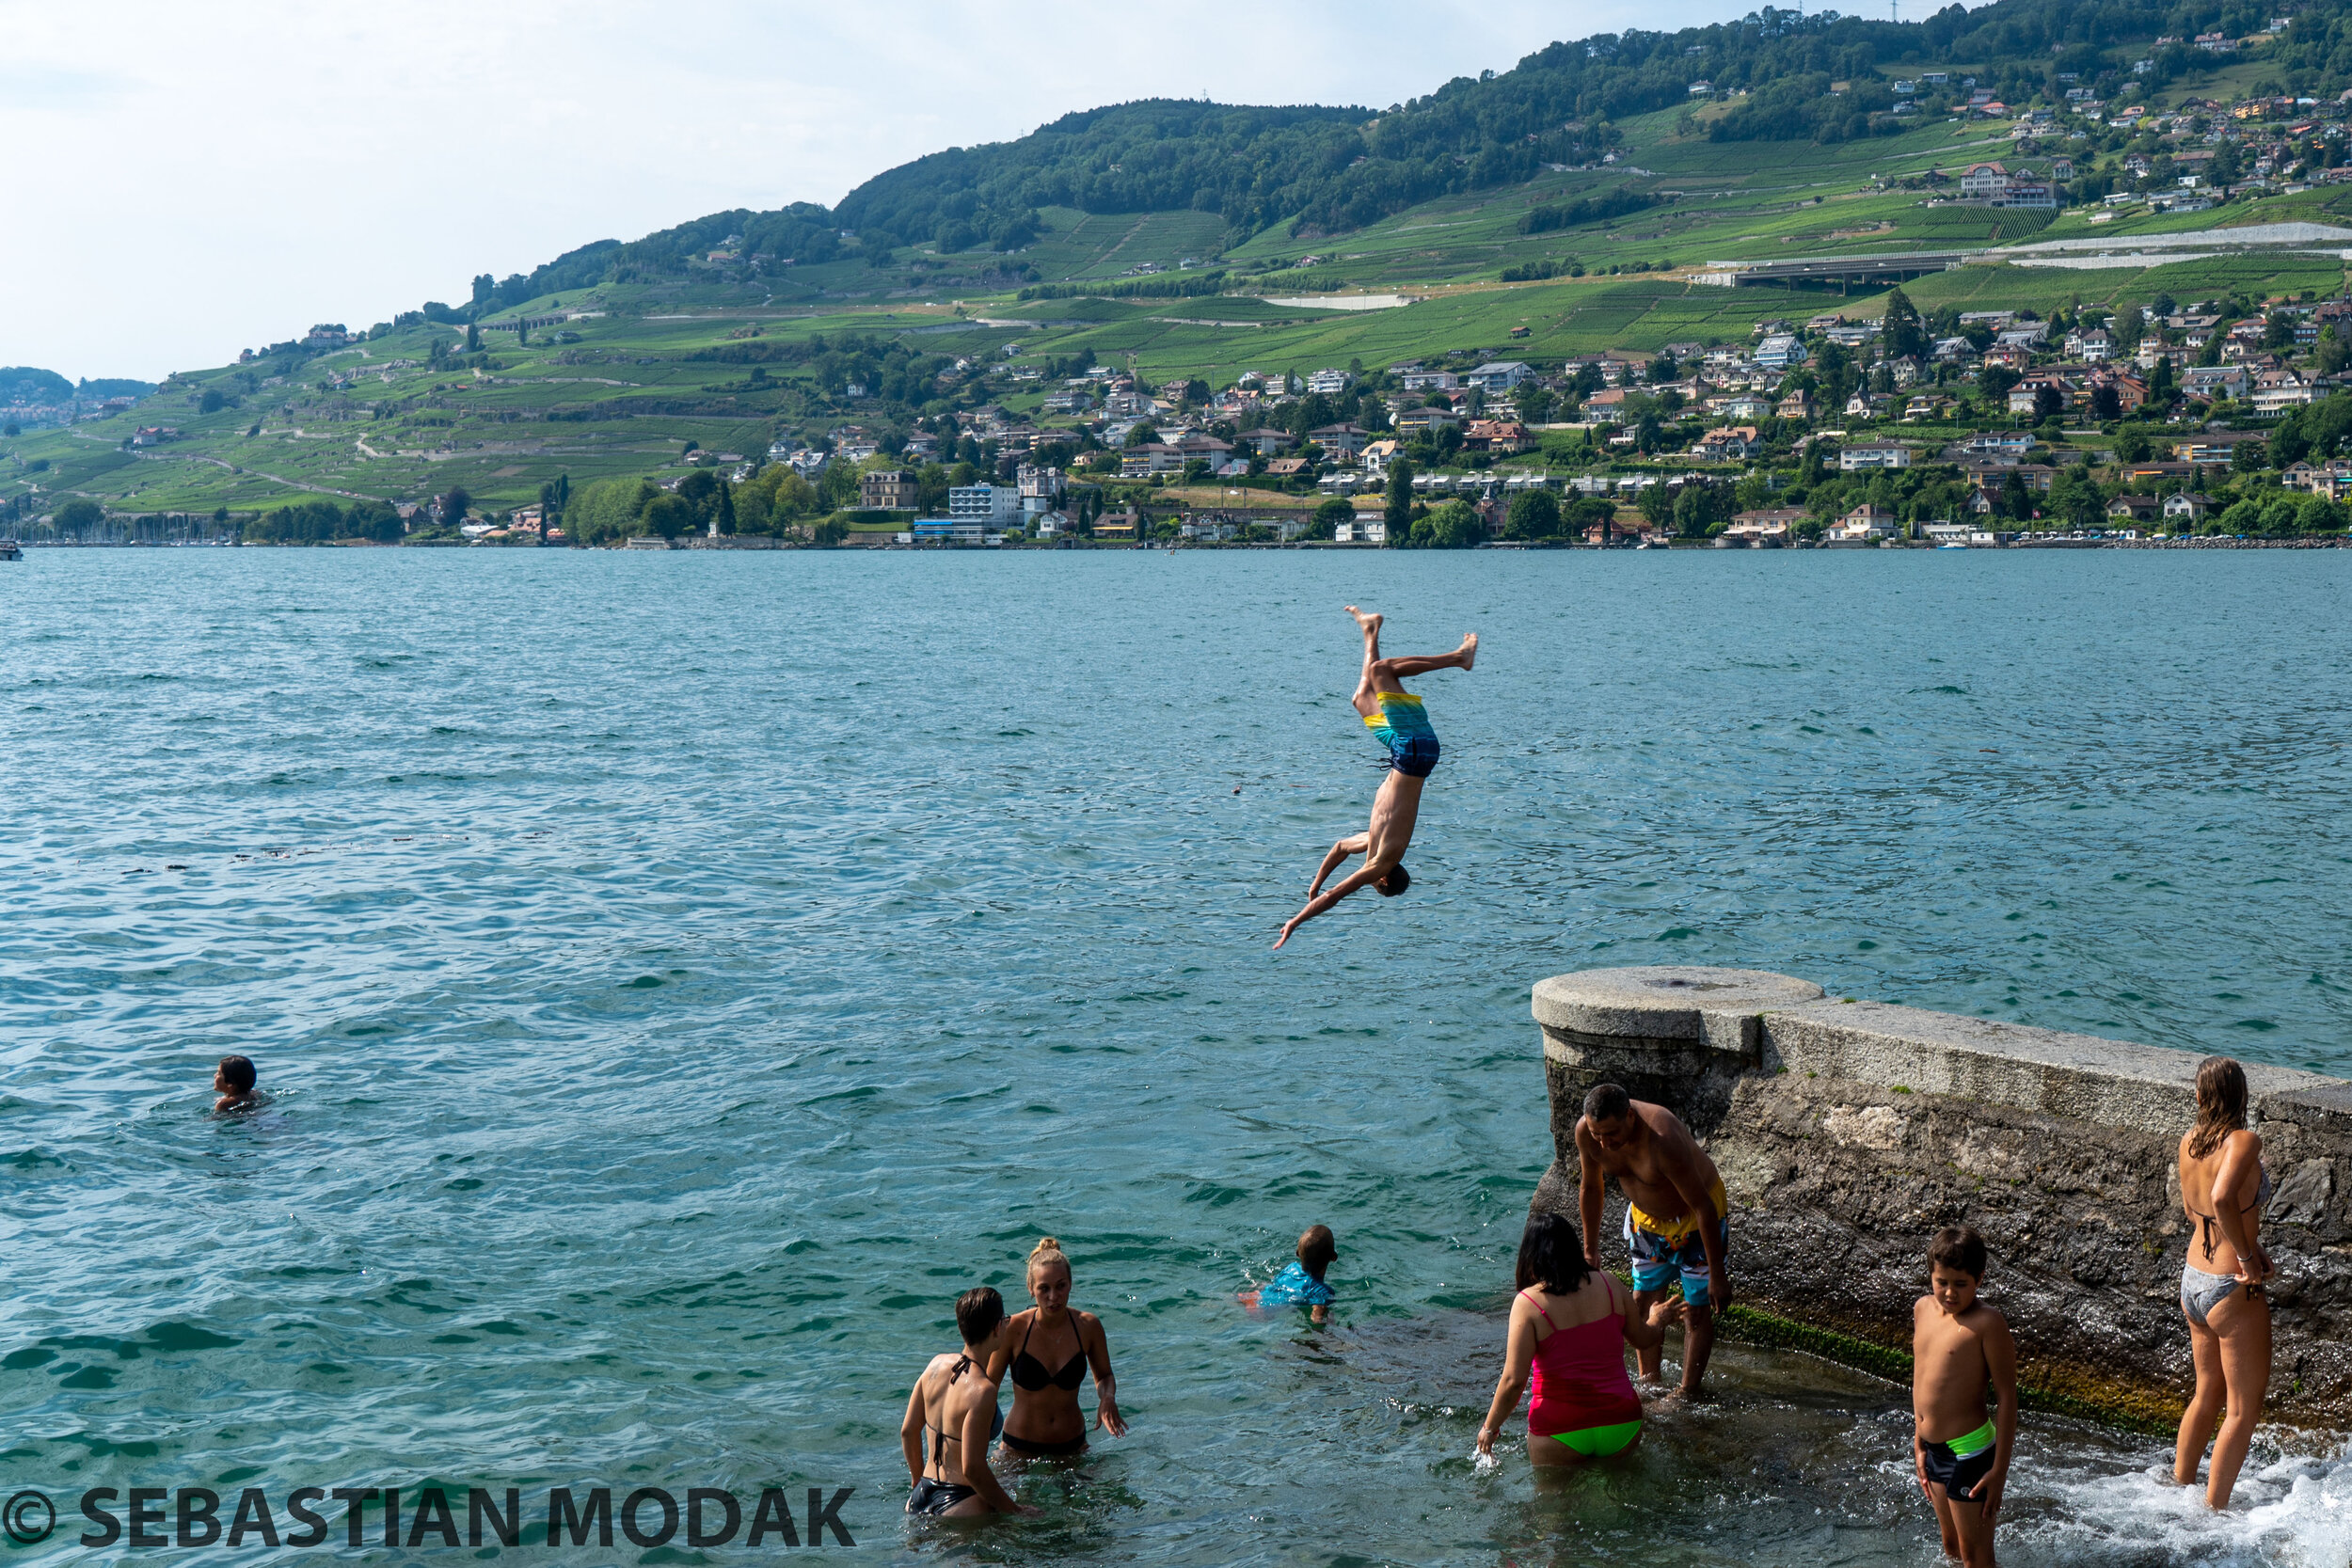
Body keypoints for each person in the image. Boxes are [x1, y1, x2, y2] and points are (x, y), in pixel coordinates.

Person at [1273, 607, 1476, 949]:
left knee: (1361, 698)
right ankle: (1460, 657)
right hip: (1415, 752)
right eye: (1371, 883)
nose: (1363, 880)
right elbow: (1338, 895)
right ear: (1381, 880)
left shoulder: (1373, 842)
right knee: (1383, 671)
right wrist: (1297, 920)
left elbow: (1339, 848)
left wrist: (1315, 882)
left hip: (1402, 751)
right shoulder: (1385, 858)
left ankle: (1371, 630)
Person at [1475, 1212, 1682, 1466]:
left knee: (1554, 1506)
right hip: (1621, 1423)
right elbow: (1644, 1339)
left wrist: (1490, 1428)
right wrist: (1657, 1319)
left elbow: (1513, 1381)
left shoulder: (1527, 1303)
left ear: (1529, 1255)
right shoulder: (1610, 1284)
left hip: (1559, 1430)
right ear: (1573, 1248)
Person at [1575, 1083, 1730, 1396]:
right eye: (1596, 1135)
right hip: (1646, 1223)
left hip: (1695, 1220)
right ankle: (1650, 1385)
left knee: (1696, 1309)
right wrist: (1590, 1251)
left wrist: (1717, 1274)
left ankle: (1686, 1392)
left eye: (1611, 1134)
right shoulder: (1587, 1134)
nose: (1604, 1144)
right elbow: (1591, 1188)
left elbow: (1702, 1205)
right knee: (1642, 1302)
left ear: (1630, 1117)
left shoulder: (1662, 1138)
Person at [2174, 1054, 2273, 1511]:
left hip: (2193, 1276)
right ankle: (2212, 1513)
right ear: (2242, 1095)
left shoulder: (2189, 1143)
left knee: (2206, 1391)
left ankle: (2177, 1488)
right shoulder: (2244, 1140)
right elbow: (2221, 1197)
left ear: (2199, 1096)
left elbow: (2197, 1210)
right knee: (2241, 1409)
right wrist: (2248, 1256)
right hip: (2231, 1285)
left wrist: (2249, 1242)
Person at [1912, 1225, 2017, 1568]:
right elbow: (1921, 1379)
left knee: (1977, 1557)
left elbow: (2007, 1396)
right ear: (1931, 1275)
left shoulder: (1987, 1323)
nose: (1950, 1293)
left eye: (1961, 1284)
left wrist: (2000, 1469)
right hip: (1934, 1449)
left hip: (1970, 1450)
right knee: (1953, 1547)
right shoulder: (1923, 1310)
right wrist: (1919, 1442)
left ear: (1980, 1279)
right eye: (1942, 1282)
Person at [900, 1287, 1033, 1518]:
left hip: (921, 1495)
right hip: (960, 1500)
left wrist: (917, 1480)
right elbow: (972, 1468)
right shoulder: (983, 1390)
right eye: (1004, 1320)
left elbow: (908, 1431)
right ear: (996, 1328)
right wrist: (1016, 1510)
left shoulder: (935, 1365)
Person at [987, 1239, 1126, 1457]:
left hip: (1073, 1446)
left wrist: (1107, 1398)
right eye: (1044, 1288)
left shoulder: (1088, 1326)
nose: (1054, 1297)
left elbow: (1105, 1376)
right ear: (1031, 1289)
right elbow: (988, 1388)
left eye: (1061, 1286)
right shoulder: (1013, 1328)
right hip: (1018, 1448)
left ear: (1070, 1283)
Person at [1239, 1225, 1339, 1324]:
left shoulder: (1291, 1268)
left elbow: (1275, 1282)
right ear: (1334, 1257)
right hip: (1263, 1313)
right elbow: (1316, 1319)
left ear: (1297, 1253)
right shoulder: (1323, 1291)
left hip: (1252, 1297)